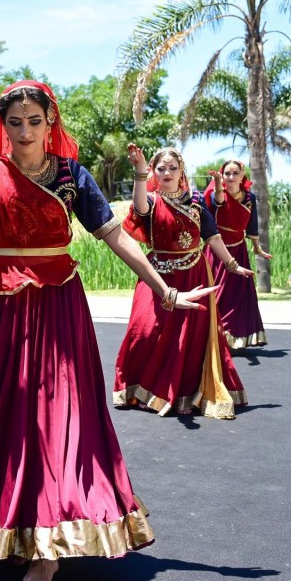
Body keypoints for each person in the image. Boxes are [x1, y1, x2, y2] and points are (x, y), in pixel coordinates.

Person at [0, 0, 218, 581]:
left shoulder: (71, 177)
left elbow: (113, 236)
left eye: (35, 120)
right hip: (1, 309)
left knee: (57, 414)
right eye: (16, 122)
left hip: (57, 310)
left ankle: (52, 545)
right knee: (4, 414)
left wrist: (162, 286)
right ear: (3, 126)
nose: (25, 131)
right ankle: (7, 522)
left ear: (49, 124)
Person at [114, 146, 252, 419]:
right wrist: (140, 173)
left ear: (182, 172)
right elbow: (140, 207)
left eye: (172, 168)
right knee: (144, 331)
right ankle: (141, 388)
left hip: (194, 274)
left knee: (189, 339)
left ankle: (185, 393)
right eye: (160, 169)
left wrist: (232, 265)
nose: (166, 173)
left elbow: (212, 237)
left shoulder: (197, 204)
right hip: (157, 276)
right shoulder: (152, 201)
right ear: (153, 172)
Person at [203, 160, 271, 348]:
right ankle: (212, 338)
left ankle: (232, 338)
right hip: (217, 252)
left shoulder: (249, 198)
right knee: (217, 295)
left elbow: (252, 225)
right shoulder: (216, 193)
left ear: (242, 176)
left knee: (238, 298)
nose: (230, 177)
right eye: (227, 174)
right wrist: (218, 184)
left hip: (239, 250)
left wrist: (257, 247)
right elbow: (219, 201)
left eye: (235, 173)